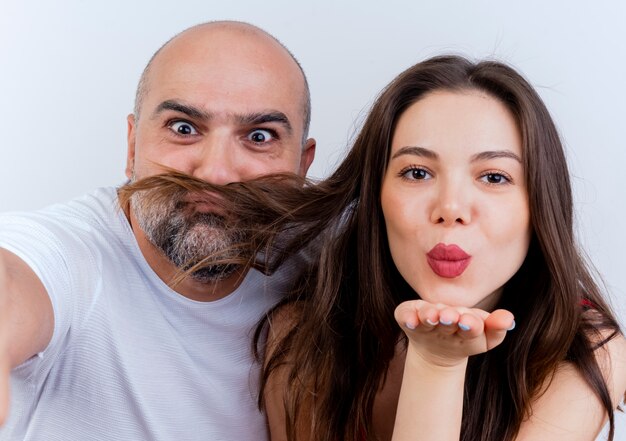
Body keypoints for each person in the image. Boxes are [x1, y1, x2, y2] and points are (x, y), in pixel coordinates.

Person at [128, 55, 626, 440]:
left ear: (539, 204)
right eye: (416, 172)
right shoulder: (303, 335)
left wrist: (438, 364)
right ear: (376, 196)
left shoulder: (586, 351)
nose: (450, 207)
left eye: (493, 176)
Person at [0, 21, 315, 440]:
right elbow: (15, 280)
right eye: (184, 128)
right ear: (132, 146)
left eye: (259, 136)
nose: (216, 173)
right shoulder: (72, 257)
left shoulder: (321, 270)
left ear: (302, 165)